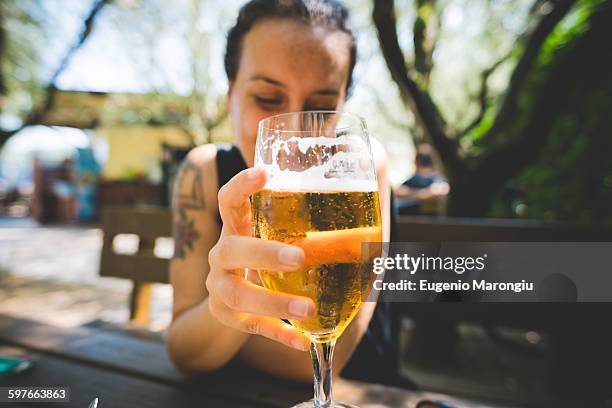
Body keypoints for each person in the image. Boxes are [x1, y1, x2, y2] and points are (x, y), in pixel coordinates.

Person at [166, 0, 409, 388]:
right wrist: (230, 300)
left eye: (321, 106)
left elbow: (328, 350)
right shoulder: (202, 173)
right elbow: (182, 351)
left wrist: (217, 329)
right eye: (267, 98)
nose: (294, 136)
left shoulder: (362, 168)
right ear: (230, 94)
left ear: (344, 102)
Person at [396, 144, 449, 215]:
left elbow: (440, 191)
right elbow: (398, 192)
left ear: (416, 162)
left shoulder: (435, 179)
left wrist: (412, 195)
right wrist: (424, 194)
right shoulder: (416, 179)